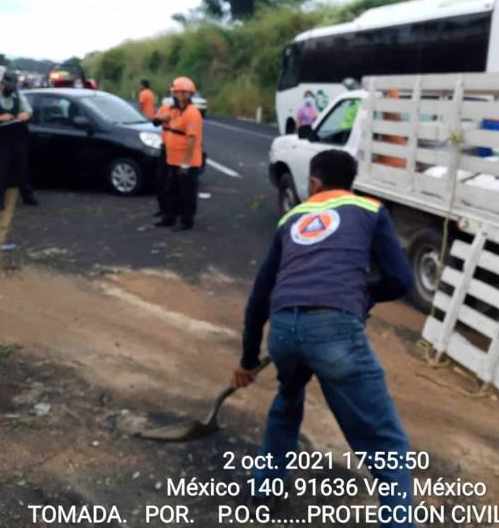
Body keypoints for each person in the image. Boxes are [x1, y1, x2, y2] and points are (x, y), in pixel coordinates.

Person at [233, 150, 414, 526]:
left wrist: (248, 360)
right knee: (386, 443)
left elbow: (259, 296)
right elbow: (400, 280)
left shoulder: (290, 218)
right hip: (334, 331)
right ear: (350, 182)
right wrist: (364, 293)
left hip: (283, 332)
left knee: (288, 396)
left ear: (314, 183)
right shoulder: (370, 210)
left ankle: (266, 486)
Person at [0, 71, 38, 211]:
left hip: (18, 138)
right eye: (8, 87)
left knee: (22, 168)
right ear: (1, 84)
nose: (10, 90)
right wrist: (0, 118)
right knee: (0, 171)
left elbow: (29, 111)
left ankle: (27, 196)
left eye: (13, 88)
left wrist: (25, 114)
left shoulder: (18, 95)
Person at [155, 76, 203, 232]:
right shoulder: (174, 111)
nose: (175, 95)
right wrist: (164, 117)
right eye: (174, 92)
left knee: (186, 193)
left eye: (178, 92)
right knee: (171, 191)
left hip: (186, 162)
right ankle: (169, 218)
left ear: (187, 94)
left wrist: (185, 164)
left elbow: (191, 139)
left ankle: (186, 221)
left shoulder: (192, 113)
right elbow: (158, 121)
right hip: (172, 159)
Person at [151, 91, 174, 217]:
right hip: (165, 147)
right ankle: (163, 208)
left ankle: (174, 210)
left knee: (174, 181)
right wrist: (162, 118)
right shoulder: (165, 108)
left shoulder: (185, 111)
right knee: (161, 179)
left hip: (177, 149)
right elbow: (155, 122)